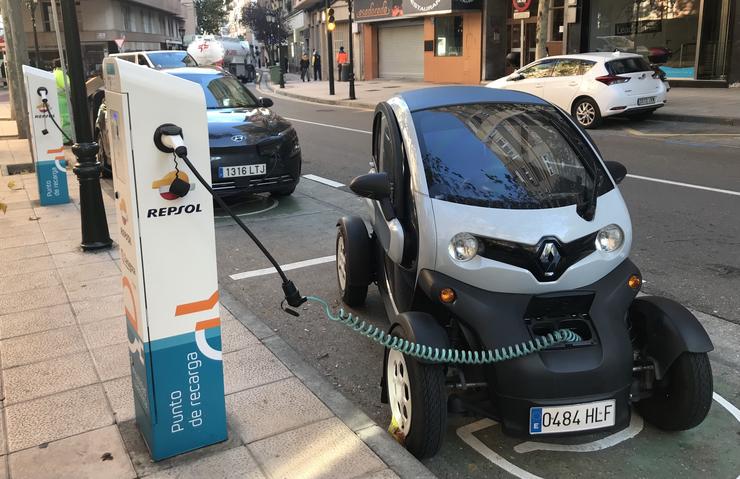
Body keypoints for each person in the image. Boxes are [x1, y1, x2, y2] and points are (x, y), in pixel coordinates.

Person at [52, 59, 74, 143]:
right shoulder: (61, 74)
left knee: (62, 120)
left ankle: (64, 138)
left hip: (59, 100)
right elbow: (67, 86)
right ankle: (66, 139)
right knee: (66, 120)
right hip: (63, 100)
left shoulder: (55, 73)